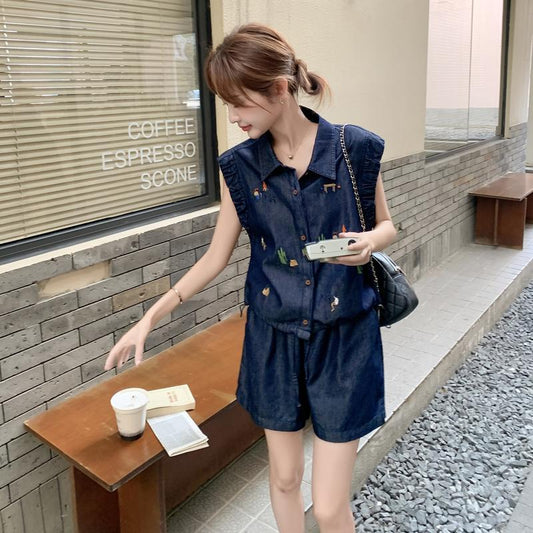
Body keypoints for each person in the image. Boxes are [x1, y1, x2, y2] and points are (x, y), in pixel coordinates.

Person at [105, 23, 396, 533]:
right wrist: (151, 316)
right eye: (226, 104)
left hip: (345, 340)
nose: (232, 117)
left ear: (279, 89)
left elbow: (387, 225)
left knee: (330, 506)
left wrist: (369, 242)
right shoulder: (239, 168)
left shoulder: (355, 149)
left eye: (238, 103)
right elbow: (215, 257)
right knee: (283, 479)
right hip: (273, 338)